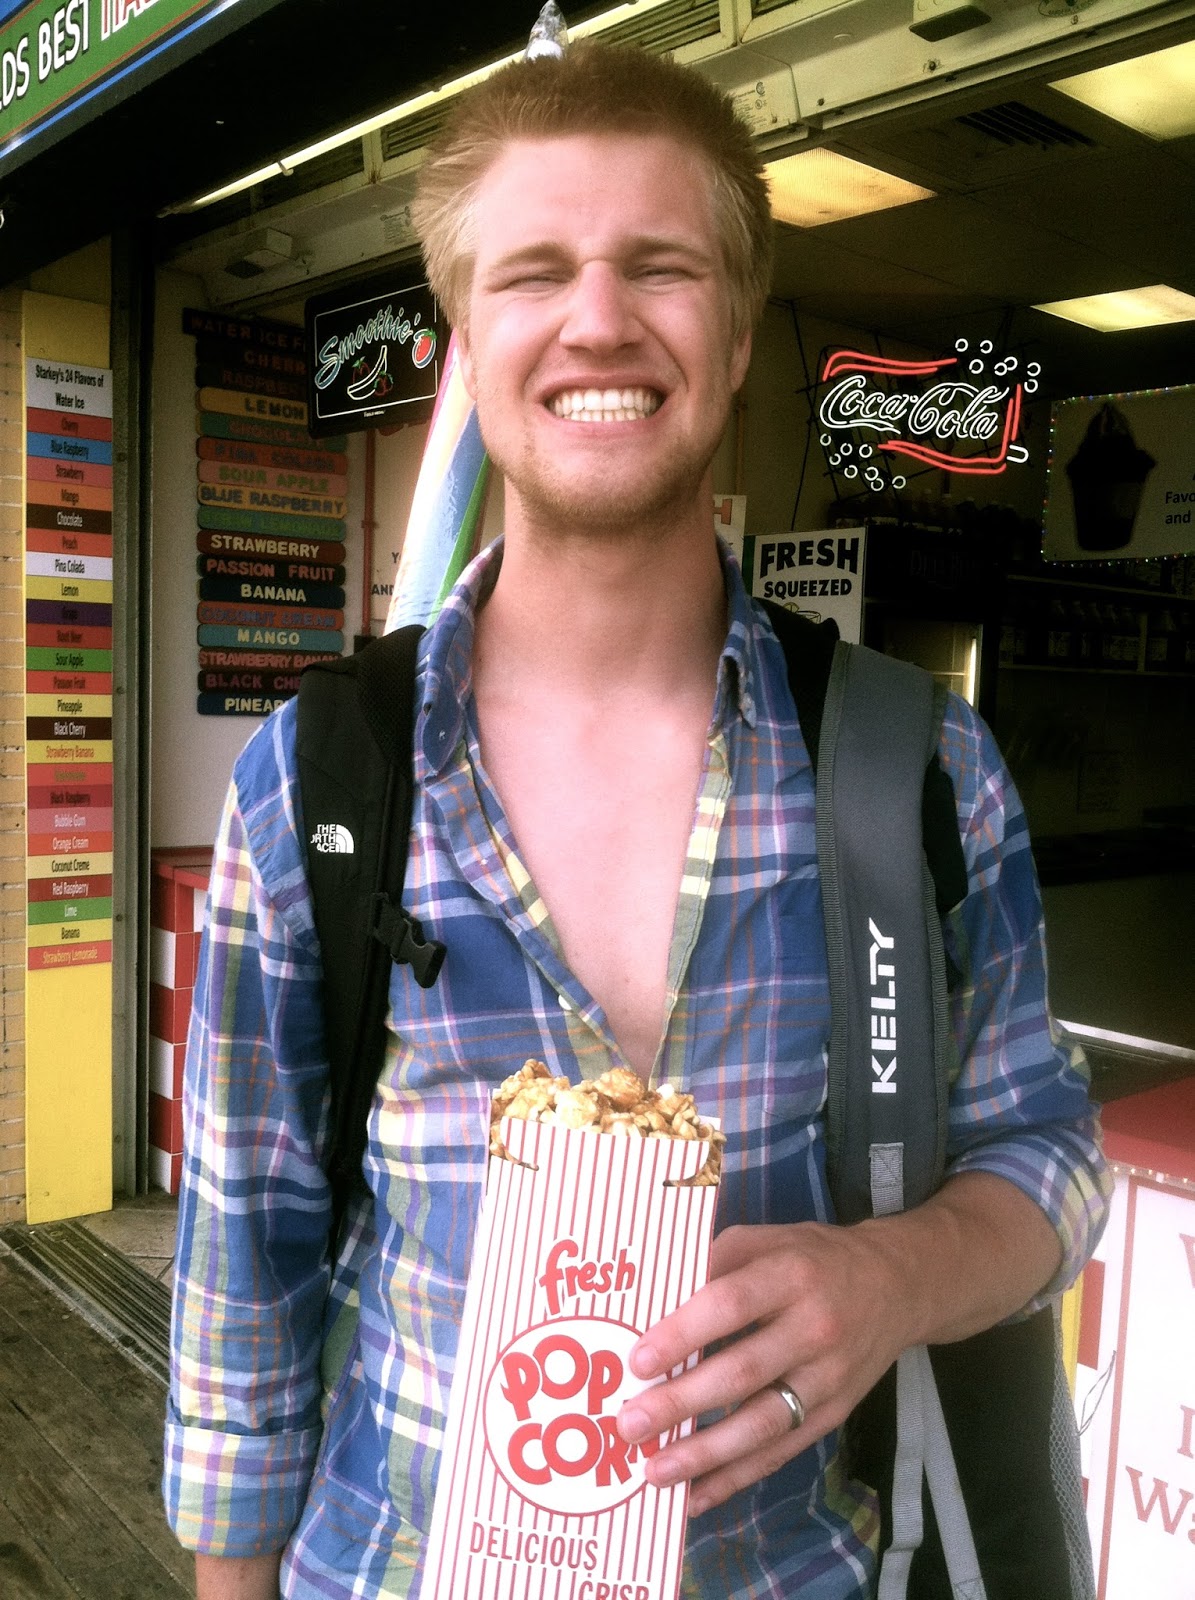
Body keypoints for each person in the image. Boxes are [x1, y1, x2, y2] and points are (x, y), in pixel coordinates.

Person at [164, 40, 1110, 1600]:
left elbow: (1048, 1154)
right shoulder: (315, 778)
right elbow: (241, 1267)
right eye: (535, 272)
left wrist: (893, 1275)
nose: (598, 318)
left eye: (659, 267)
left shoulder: (919, 772)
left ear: (736, 335)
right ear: (469, 342)